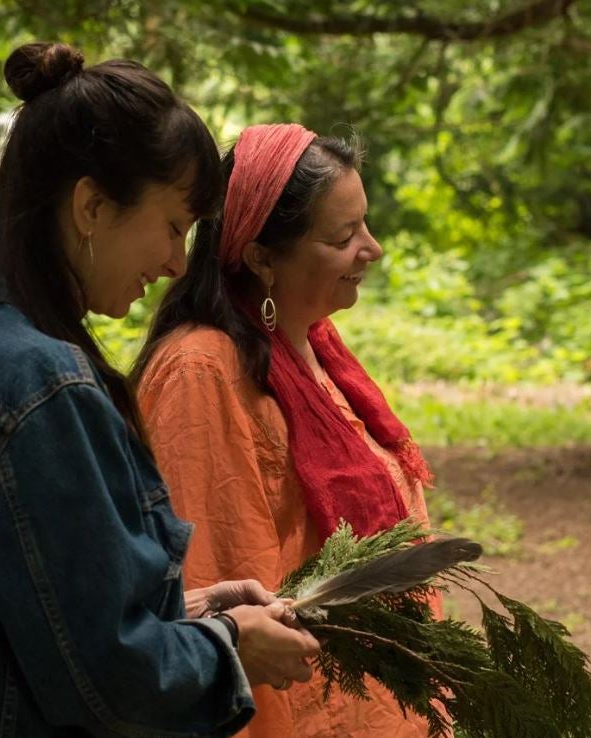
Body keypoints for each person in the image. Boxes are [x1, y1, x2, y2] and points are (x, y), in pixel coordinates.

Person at [0, 46, 319, 738]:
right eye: (173, 226)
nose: (179, 261)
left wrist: (196, 611)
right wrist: (228, 645)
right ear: (92, 205)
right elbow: (109, 679)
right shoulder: (42, 387)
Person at [134, 124, 440, 738]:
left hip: (368, 703)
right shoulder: (204, 372)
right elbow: (211, 583)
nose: (372, 248)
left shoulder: (317, 351)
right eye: (343, 235)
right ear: (263, 257)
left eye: (366, 225)